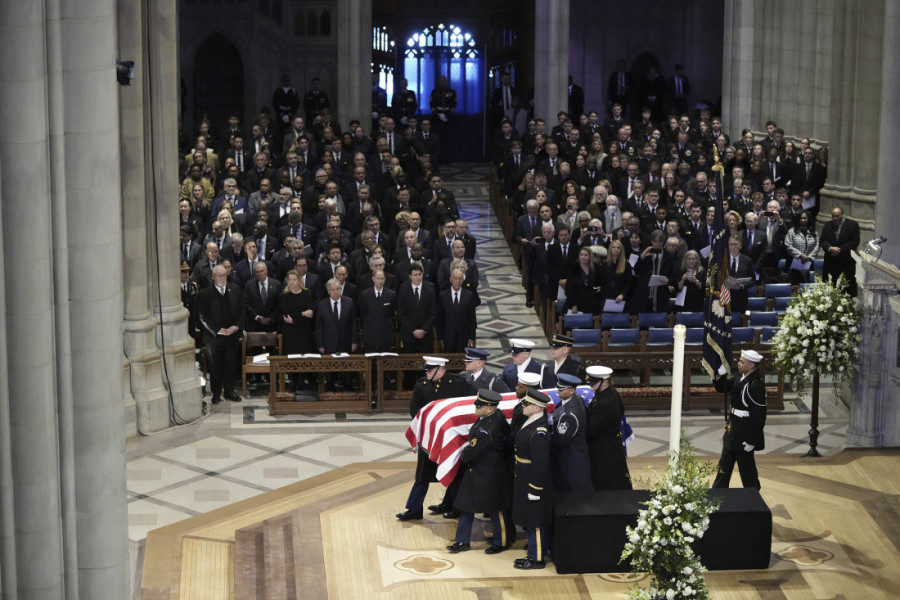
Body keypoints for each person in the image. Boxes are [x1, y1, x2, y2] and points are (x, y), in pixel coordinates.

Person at [397, 356, 475, 521]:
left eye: (430, 370)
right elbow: (415, 408)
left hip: (450, 439)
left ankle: (455, 506)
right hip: (429, 439)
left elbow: (471, 403)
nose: (426, 373)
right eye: (426, 370)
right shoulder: (422, 385)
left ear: (440, 370)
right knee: (422, 476)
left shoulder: (458, 383)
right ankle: (414, 509)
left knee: (452, 474)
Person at [447, 389, 514, 555]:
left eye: (480, 405)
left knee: (495, 508)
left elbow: (471, 452)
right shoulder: (494, 417)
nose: (475, 406)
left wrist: (461, 453)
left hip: (489, 473)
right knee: (466, 505)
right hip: (478, 470)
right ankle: (462, 541)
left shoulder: (488, 429)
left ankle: (502, 541)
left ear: (490, 408)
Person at [712, 350, 767, 490]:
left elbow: (759, 416)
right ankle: (717, 495)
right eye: (740, 360)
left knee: (747, 472)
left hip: (744, 434)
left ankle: (754, 499)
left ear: (751, 365)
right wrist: (721, 374)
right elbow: (722, 388)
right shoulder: (740, 377)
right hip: (733, 429)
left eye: (742, 362)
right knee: (724, 466)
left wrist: (751, 441)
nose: (738, 363)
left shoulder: (756, 385)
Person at [512, 388, 553, 570]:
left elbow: (541, 463)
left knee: (534, 520)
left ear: (537, 408)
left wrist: (535, 488)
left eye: (527, 404)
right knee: (528, 517)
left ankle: (536, 559)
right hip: (523, 476)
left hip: (531, 479)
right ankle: (534, 552)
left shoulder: (539, 432)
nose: (523, 405)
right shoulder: (530, 423)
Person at [197, 265, 245, 404]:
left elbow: (243, 309)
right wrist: (217, 330)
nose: (223, 278)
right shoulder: (206, 293)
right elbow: (202, 315)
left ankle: (229, 391)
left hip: (232, 334)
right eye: (219, 275)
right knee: (216, 365)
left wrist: (236, 326)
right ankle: (216, 393)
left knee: (230, 364)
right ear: (213, 277)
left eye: (225, 275)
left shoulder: (235, 289)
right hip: (214, 337)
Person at [585, 365, 631, 490]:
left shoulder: (604, 403)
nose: (590, 385)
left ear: (604, 382)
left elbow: (591, 431)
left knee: (607, 479)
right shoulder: (610, 392)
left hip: (604, 447)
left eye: (593, 382)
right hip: (611, 442)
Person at [550, 373, 592, 492]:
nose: (558, 390)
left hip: (571, 460)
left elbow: (560, 440)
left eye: (562, 389)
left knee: (573, 493)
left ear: (571, 391)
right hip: (574, 454)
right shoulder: (575, 399)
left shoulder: (570, 415)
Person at [820, 206, 860, 296]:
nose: (835, 219)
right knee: (829, 292)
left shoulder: (852, 225)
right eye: (833, 216)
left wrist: (838, 250)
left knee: (846, 292)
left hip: (846, 264)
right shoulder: (827, 225)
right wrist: (830, 248)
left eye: (837, 216)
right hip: (831, 264)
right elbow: (822, 240)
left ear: (842, 215)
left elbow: (854, 242)